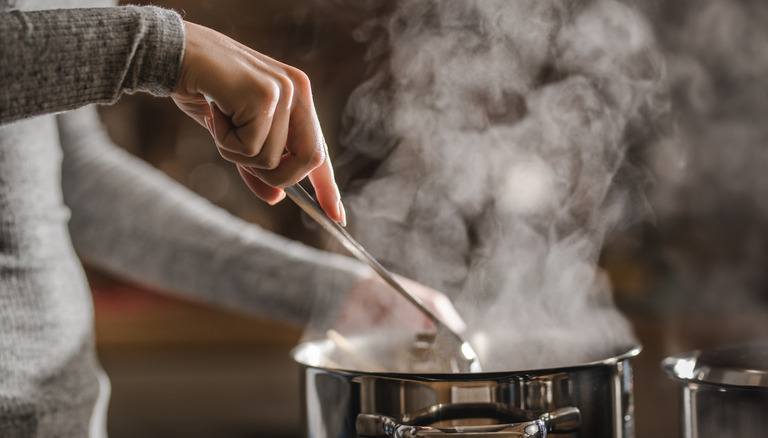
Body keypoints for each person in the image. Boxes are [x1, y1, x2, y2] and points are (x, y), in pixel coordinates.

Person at [0, 2, 463, 437]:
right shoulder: (153, 49)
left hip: (63, 414)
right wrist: (161, 50)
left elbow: (73, 179)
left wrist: (334, 291)